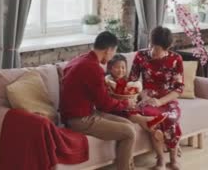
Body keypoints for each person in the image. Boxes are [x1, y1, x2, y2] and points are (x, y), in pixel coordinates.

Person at [60, 31, 137, 170]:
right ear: (108, 50)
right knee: (129, 133)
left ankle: (127, 167)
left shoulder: (80, 59)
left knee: (128, 124)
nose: (112, 56)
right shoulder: (93, 68)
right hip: (79, 119)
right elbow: (105, 104)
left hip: (84, 112)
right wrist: (125, 104)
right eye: (114, 53)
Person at [129, 26, 184, 170]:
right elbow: (132, 81)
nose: (154, 51)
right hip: (147, 100)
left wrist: (160, 101)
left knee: (171, 118)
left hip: (167, 100)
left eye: (158, 49)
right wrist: (143, 95)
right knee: (155, 121)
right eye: (152, 46)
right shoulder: (141, 56)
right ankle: (160, 160)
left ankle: (173, 159)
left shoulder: (175, 59)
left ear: (168, 47)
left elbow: (179, 88)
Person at [105, 55, 167, 140]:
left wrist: (139, 98)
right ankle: (150, 119)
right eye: (117, 67)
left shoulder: (127, 81)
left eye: (123, 68)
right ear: (110, 68)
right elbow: (107, 100)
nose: (120, 70)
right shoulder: (107, 81)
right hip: (114, 109)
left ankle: (153, 131)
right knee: (130, 113)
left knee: (136, 110)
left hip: (127, 106)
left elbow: (134, 93)